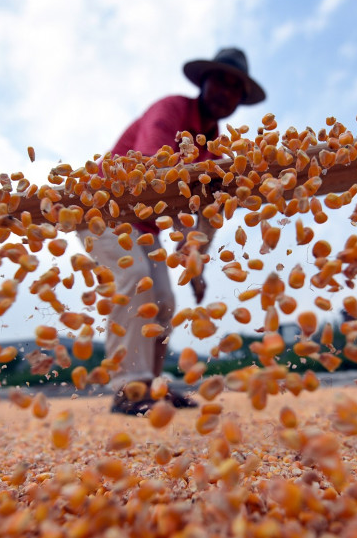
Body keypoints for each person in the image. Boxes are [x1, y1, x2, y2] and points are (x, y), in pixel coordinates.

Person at [80, 48, 266, 415]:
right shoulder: (171, 110)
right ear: (203, 82)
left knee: (164, 301)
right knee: (135, 278)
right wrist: (187, 247)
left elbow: (205, 211)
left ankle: (151, 385)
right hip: (101, 210)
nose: (227, 94)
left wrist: (195, 265)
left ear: (240, 101)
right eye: (221, 82)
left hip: (142, 226)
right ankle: (127, 387)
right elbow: (156, 175)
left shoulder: (214, 148)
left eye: (236, 90)